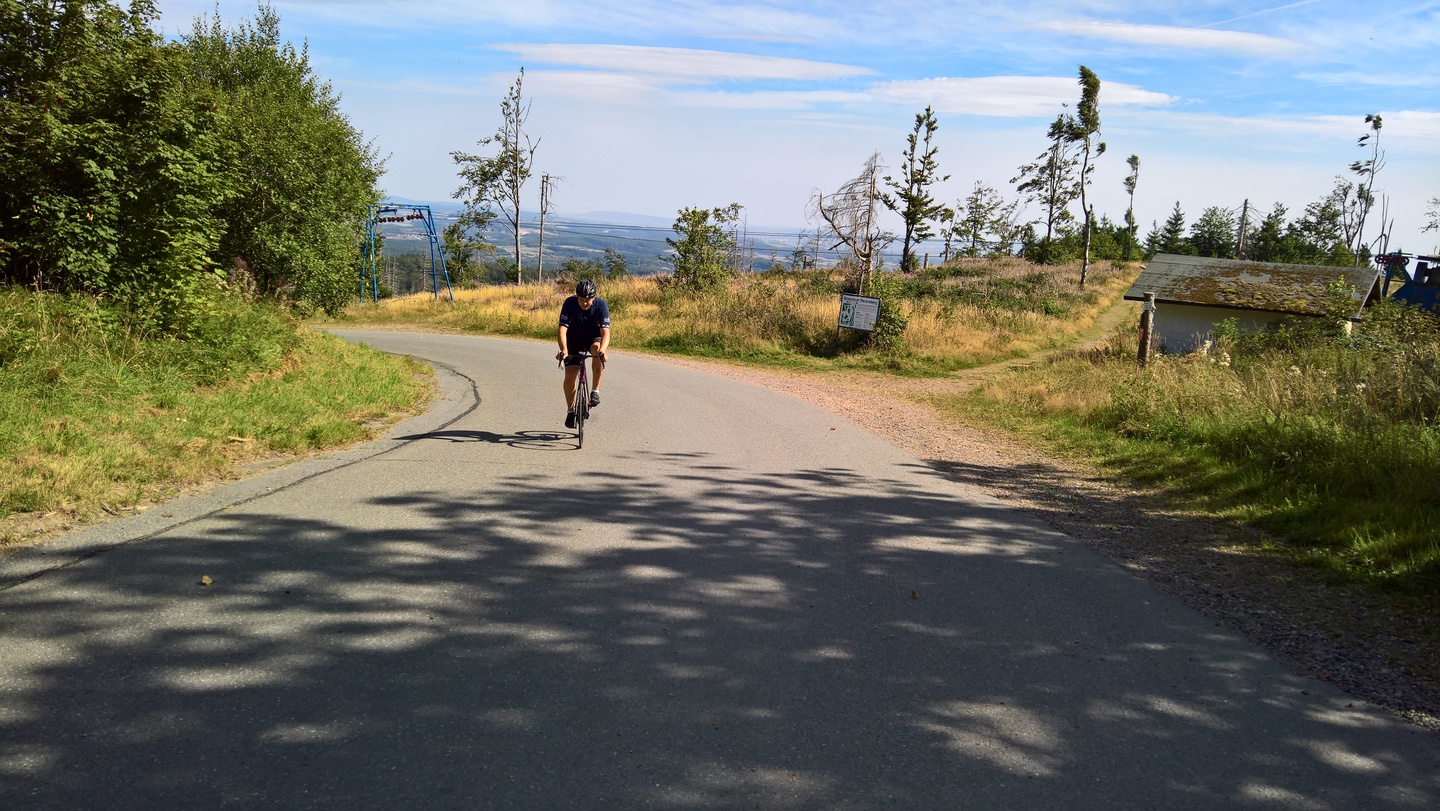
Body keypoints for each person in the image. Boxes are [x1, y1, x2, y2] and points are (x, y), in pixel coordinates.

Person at [556, 278, 610, 428]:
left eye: (588, 300)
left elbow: (605, 332)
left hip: (593, 338)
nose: (585, 303)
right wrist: (563, 349)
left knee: (597, 352)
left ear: (594, 298)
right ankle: (570, 410)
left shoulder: (601, 306)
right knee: (570, 373)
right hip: (573, 338)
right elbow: (562, 330)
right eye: (581, 300)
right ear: (577, 297)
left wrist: (603, 351)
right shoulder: (570, 303)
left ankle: (595, 391)